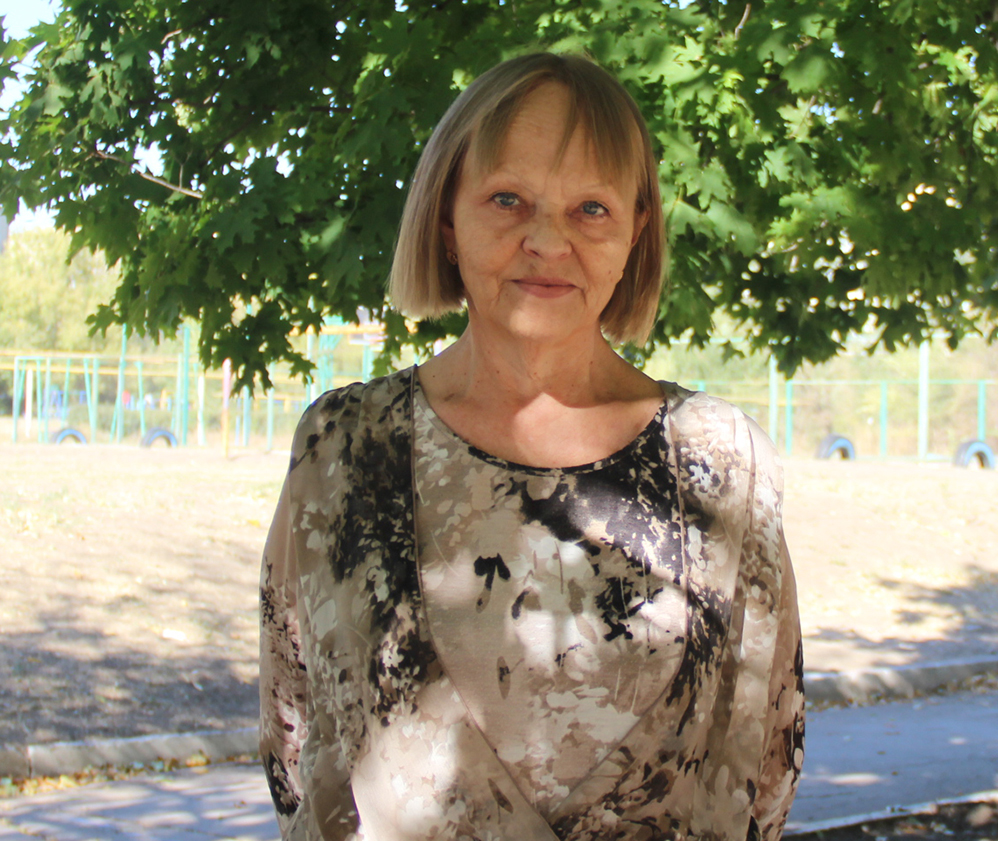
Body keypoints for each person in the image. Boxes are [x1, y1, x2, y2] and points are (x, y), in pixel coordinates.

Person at [260, 52, 803, 841]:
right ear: (447, 219)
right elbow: (294, 729)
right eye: (508, 199)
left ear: (635, 232)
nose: (547, 240)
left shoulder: (721, 463)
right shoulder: (341, 448)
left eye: (591, 208)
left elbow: (769, 747)